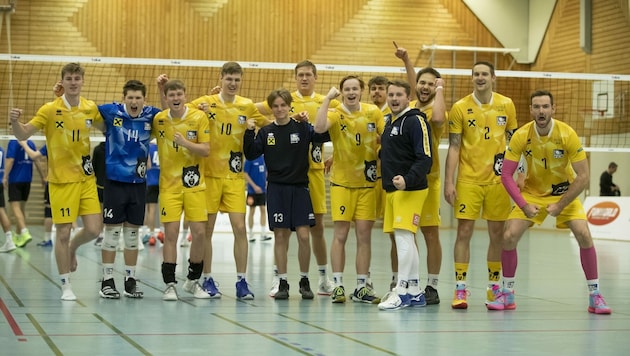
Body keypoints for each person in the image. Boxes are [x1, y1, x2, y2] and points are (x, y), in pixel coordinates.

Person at [487, 89, 612, 314]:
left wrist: (561, 205)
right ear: (531, 110)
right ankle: (507, 293)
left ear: (553, 109)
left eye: (545, 106)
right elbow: (506, 175)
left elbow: (583, 176)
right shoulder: (520, 136)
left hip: (564, 193)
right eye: (537, 106)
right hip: (532, 193)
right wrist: (523, 205)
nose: (541, 111)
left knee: (584, 233)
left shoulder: (567, 134)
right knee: (508, 236)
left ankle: (595, 296)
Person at [163, 61, 269, 300]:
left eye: (237, 79)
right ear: (220, 78)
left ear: (241, 81)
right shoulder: (204, 102)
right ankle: (207, 278)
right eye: (228, 78)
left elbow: (272, 125)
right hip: (207, 177)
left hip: (234, 178)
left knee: (240, 228)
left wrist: (295, 120)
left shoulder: (247, 106)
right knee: (206, 231)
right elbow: (175, 111)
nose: (232, 83)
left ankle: (242, 281)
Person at [9, 62, 104, 301]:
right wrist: (13, 121)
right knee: (61, 233)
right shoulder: (49, 110)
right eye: (69, 78)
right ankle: (66, 285)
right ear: (63, 81)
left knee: (94, 229)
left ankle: (73, 247)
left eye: (77, 78)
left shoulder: (90, 108)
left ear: (83, 81)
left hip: (86, 178)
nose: (73, 82)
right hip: (61, 181)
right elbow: (23, 134)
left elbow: (107, 129)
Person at [255, 60, 336, 296]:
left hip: (314, 173)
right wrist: (218, 100)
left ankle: (322, 278)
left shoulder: (327, 102)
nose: (304, 78)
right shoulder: (285, 100)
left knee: (316, 228)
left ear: (316, 77)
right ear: (295, 77)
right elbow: (250, 109)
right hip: (286, 174)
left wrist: (337, 157)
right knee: (281, 231)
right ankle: (278, 278)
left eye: (308, 74)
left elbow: (344, 126)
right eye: (300, 74)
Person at [444, 61, 517, 309]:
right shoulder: (460, 107)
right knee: (463, 232)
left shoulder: (506, 104)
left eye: (484, 74)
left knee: (497, 234)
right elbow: (454, 147)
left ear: (493, 77)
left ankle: (493, 288)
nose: (480, 77)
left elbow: (514, 143)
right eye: (476, 74)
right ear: (471, 78)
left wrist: (520, 174)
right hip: (468, 180)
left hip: (498, 181)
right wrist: (448, 181)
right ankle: (460, 288)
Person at [314, 75, 384, 304]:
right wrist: (327, 99)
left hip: (367, 184)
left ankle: (362, 286)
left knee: (364, 236)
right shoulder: (336, 111)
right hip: (342, 184)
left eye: (355, 88)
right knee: (340, 235)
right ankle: (338, 285)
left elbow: (386, 139)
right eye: (347, 89)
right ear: (342, 92)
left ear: (361, 91)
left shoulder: (373, 112)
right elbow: (319, 127)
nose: (351, 92)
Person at [95, 79, 161, 299]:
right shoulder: (110, 111)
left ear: (144, 99)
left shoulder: (151, 114)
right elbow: (84, 109)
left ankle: (130, 280)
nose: (134, 101)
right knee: (112, 234)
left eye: (138, 98)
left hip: (138, 184)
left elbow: (169, 116)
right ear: (124, 98)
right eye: (130, 97)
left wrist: (162, 89)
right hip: (114, 183)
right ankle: (107, 280)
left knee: (132, 235)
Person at [396, 44, 446, 305]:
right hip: (409, 180)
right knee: (407, 233)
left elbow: (438, 119)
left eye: (430, 84)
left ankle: (433, 285)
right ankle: (406, 282)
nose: (424, 87)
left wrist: (440, 89)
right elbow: (411, 84)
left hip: (431, 180)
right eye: (422, 83)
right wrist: (406, 60)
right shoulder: (409, 108)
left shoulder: (435, 108)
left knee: (430, 234)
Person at [376, 80, 433, 310]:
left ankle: (400, 291)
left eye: (399, 94)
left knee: (403, 238)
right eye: (391, 94)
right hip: (392, 189)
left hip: (410, 189)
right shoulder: (390, 121)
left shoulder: (415, 121)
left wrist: (407, 179)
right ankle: (414, 290)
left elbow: (425, 157)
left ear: (408, 97)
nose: (394, 98)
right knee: (404, 238)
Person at [152, 79, 210, 301]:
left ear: (185, 95)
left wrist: (186, 143)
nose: (176, 98)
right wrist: (159, 89)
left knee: (199, 233)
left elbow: (205, 150)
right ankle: (169, 285)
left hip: (195, 186)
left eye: (179, 94)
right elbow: (165, 118)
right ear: (166, 98)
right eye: (171, 95)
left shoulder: (199, 117)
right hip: (169, 187)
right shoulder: (159, 120)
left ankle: (193, 281)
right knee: (172, 234)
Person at [17, 142, 53, 247]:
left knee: (49, 211)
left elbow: (33, 156)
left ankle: (48, 239)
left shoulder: (51, 143)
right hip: (71, 182)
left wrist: (23, 144)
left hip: (54, 182)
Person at [4, 139, 36, 248]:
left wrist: (5, 176)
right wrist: (42, 176)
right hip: (27, 179)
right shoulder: (31, 143)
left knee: (15, 207)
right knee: (22, 208)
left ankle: (24, 231)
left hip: (15, 179)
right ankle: (18, 236)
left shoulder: (13, 142)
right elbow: (36, 160)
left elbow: (10, 160)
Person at [244, 155, 271, 242]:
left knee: (263, 209)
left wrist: (267, 181)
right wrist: (254, 186)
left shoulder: (264, 158)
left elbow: (266, 171)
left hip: (262, 191)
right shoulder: (250, 159)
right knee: (252, 211)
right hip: (252, 191)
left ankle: (263, 233)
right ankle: (251, 234)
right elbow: (245, 174)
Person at [144, 140, 162, 246]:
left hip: (151, 182)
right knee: (164, 208)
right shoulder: (162, 145)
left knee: (151, 210)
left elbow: (148, 165)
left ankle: (151, 235)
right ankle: (163, 232)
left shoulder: (148, 147)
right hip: (163, 181)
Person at [0, 144, 16, 253]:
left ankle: (10, 241)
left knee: (1, 210)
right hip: (0, 182)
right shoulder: (1, 148)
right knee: (1, 210)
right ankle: (9, 240)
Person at [92, 141, 106, 246]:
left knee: (101, 212)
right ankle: (110, 236)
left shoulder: (97, 149)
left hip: (100, 185)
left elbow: (93, 168)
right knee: (112, 212)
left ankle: (101, 235)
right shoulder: (115, 148)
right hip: (113, 185)